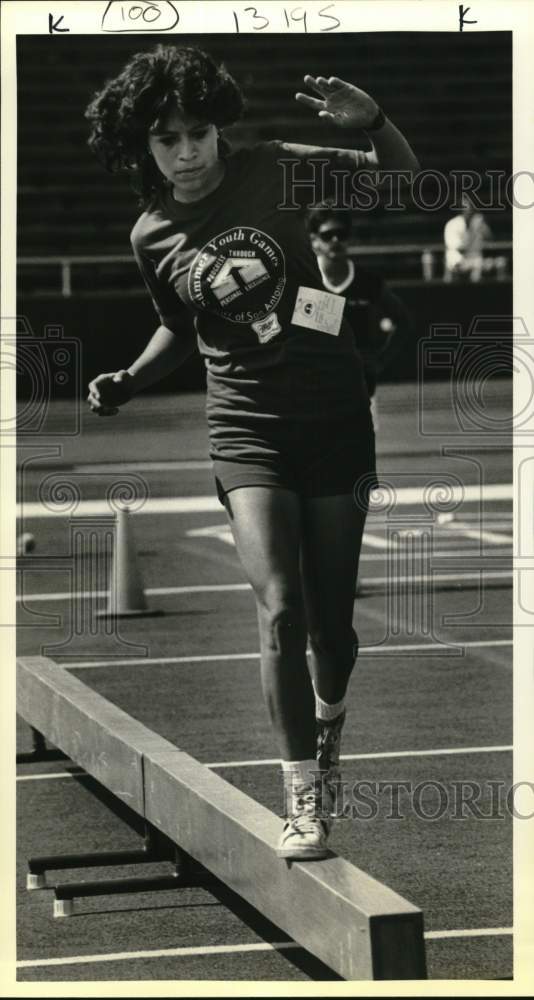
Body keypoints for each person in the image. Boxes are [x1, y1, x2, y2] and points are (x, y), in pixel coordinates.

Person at [86, 45, 419, 860]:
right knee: (279, 609)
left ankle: (330, 719)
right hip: (245, 426)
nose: (188, 151)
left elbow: (404, 184)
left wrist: (373, 123)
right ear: (144, 147)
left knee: (332, 633)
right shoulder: (151, 233)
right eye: (168, 139)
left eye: (199, 132)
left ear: (219, 127)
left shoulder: (275, 168)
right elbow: (181, 322)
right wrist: (128, 377)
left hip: (335, 416)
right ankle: (302, 795)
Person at [307, 203, 414, 421]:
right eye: (328, 235)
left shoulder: (368, 283)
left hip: (361, 390)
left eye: (342, 234)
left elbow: (404, 322)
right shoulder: (309, 281)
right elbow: (306, 340)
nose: (336, 240)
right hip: (316, 392)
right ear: (314, 241)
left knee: (361, 454)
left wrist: (380, 361)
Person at [443, 194, 492, 283]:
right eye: (465, 207)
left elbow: (489, 238)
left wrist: (484, 226)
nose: (469, 210)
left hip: (473, 260)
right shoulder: (453, 224)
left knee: (496, 263)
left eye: (471, 207)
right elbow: (462, 249)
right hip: (457, 262)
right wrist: (474, 231)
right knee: (477, 266)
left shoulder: (476, 222)